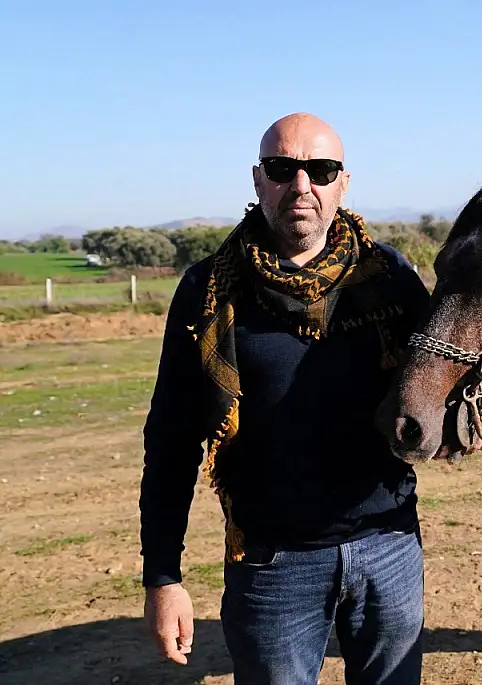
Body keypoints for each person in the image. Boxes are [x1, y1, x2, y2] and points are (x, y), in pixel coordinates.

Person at [139, 113, 431, 684]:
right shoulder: (208, 291)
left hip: (390, 547)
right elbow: (171, 440)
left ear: (342, 182)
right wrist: (163, 576)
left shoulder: (389, 276)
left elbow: (459, 368)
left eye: (320, 170)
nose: (302, 186)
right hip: (273, 565)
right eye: (282, 169)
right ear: (257, 179)